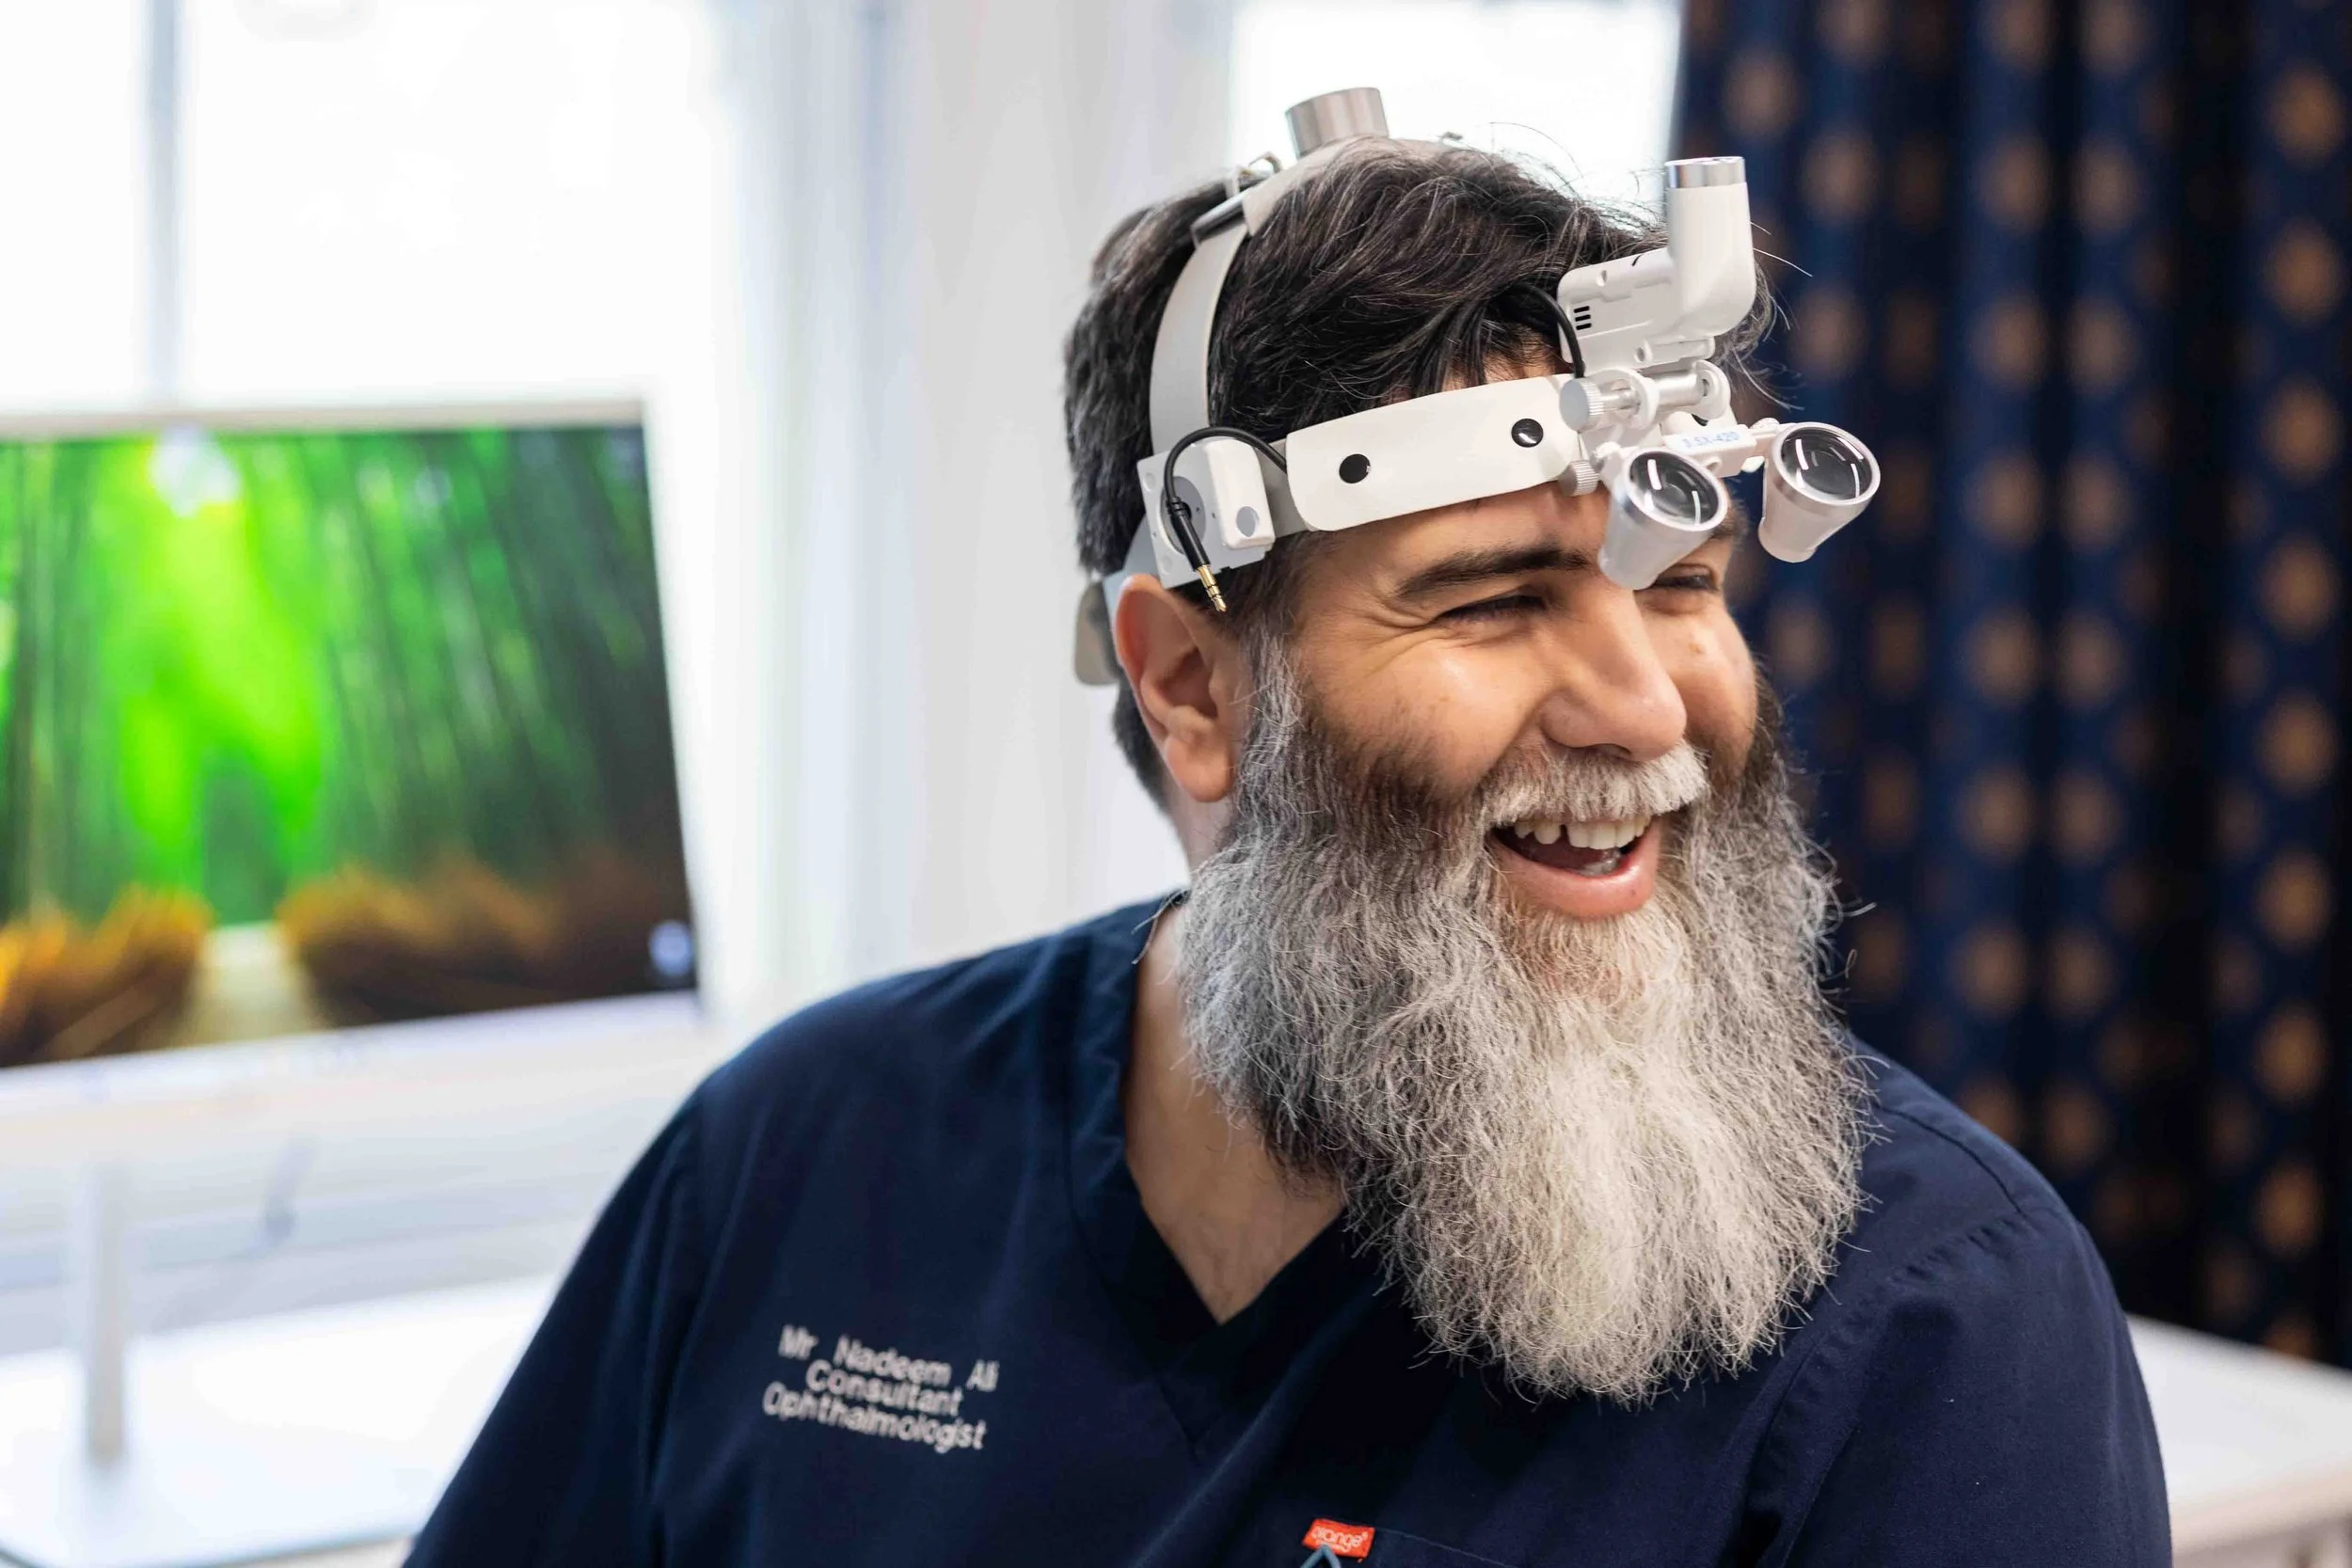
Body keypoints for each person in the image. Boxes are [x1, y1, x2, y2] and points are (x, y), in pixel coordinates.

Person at [408, 136, 2168, 1567]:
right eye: (1491, 600)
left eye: (1685, 580)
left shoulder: (1932, 1323)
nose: (1646, 708)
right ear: (1190, 685)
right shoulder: (805, 1157)